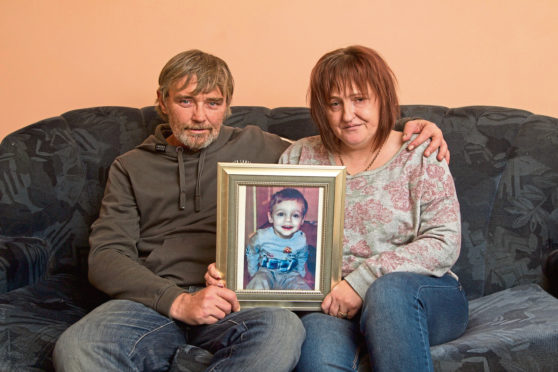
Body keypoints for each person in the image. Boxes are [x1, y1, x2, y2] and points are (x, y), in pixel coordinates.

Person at [52, 48, 450, 372]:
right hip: (151, 301)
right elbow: (105, 256)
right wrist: (176, 301)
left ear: (228, 106)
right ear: (162, 102)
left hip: (236, 303)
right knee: (77, 347)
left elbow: (352, 138)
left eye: (213, 102)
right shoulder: (129, 166)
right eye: (185, 101)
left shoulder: (265, 147)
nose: (199, 116)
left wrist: (415, 126)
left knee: (282, 332)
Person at [280, 46, 468, 371]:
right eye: (334, 103)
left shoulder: (421, 152)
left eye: (360, 99)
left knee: (387, 292)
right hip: (331, 306)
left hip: (420, 295)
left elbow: (444, 241)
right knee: (315, 350)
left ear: (383, 98)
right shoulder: (299, 158)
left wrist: (362, 280)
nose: (347, 115)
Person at [246, 188, 311, 290]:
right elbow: (251, 250)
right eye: (281, 214)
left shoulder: (301, 239)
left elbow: (302, 255)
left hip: (290, 273)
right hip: (266, 271)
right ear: (270, 217)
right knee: (258, 284)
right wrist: (253, 271)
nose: (288, 220)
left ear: (302, 220)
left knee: (302, 289)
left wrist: (301, 273)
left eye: (295, 215)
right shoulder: (261, 236)